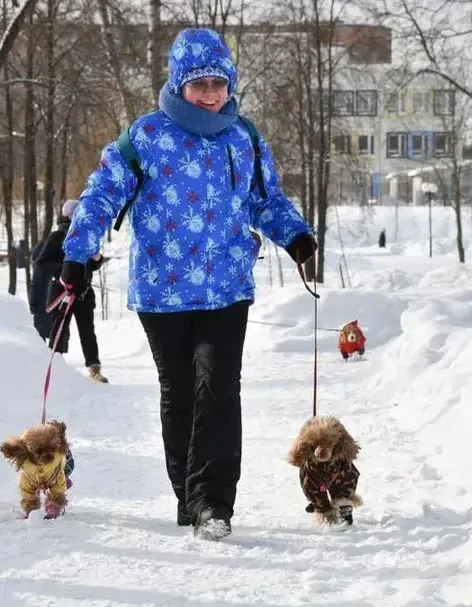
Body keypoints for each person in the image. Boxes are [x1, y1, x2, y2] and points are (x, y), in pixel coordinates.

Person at [58, 27, 317, 540]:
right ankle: (188, 497)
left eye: (219, 83)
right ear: (179, 83)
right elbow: (102, 194)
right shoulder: (147, 136)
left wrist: (297, 236)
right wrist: (78, 252)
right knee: (180, 394)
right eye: (200, 84)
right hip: (163, 288)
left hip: (226, 286)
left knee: (219, 388)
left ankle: (213, 504)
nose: (212, 93)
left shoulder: (243, 136)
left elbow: (265, 199)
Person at [32, 199, 109, 383]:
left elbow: (91, 265)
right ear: (69, 216)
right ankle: (55, 366)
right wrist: (63, 271)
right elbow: (41, 262)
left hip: (83, 292)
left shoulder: (86, 236)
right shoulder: (57, 236)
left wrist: (97, 259)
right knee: (59, 329)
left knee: (87, 331)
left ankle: (94, 368)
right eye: (77, 214)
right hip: (62, 292)